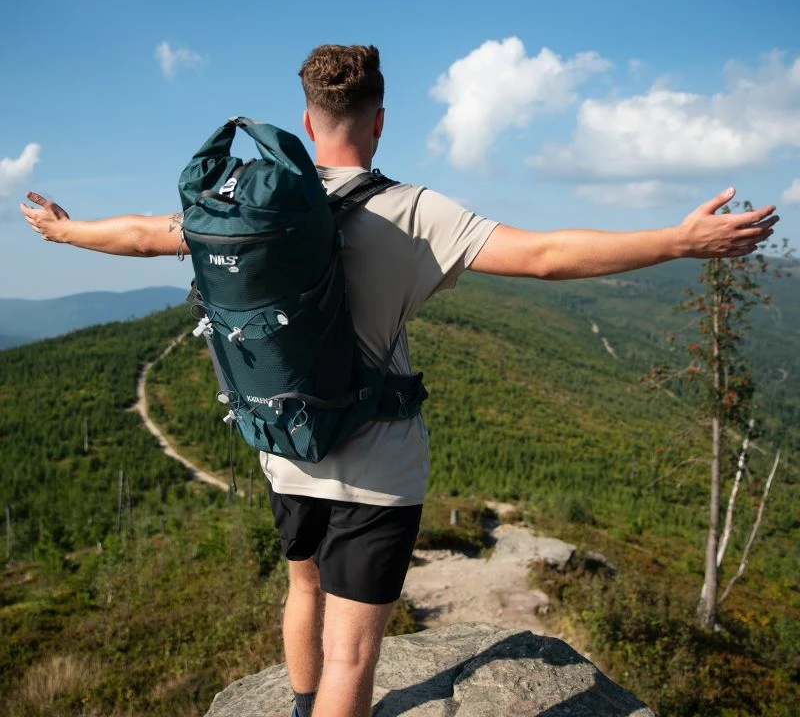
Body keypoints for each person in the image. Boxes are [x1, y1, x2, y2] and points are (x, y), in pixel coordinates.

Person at [22, 44, 779, 717]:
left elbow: (140, 234)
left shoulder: (252, 208)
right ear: (379, 120)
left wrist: (63, 230)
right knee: (355, 655)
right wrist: (679, 241)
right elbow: (548, 254)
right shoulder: (414, 212)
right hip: (379, 469)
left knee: (302, 588)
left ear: (307, 122)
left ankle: (297, 705)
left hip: (283, 445)